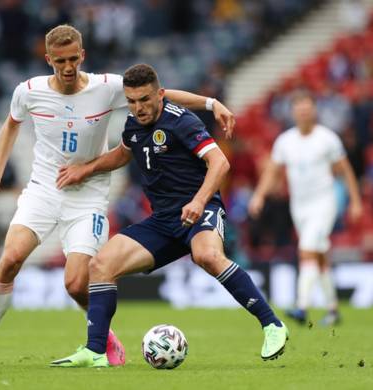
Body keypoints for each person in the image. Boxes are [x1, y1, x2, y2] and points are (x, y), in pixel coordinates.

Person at [0, 25, 236, 367]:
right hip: (43, 188)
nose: (68, 67)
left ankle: (104, 338)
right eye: (60, 61)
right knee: (10, 259)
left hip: (87, 195)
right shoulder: (28, 91)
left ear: (82, 55)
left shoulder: (106, 87)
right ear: (48, 59)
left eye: (73, 58)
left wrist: (211, 102)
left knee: (75, 284)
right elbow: (11, 124)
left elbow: (162, 94)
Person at [50, 63, 288, 368]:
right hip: (163, 221)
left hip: (200, 211)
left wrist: (199, 202)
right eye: (132, 101)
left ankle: (272, 325)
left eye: (145, 100)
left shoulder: (181, 122)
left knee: (207, 256)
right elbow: (123, 153)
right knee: (100, 266)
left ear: (160, 95)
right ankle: (96, 350)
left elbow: (220, 164)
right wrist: (86, 168)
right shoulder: (133, 125)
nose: (139, 108)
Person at [249, 92, 362, 326]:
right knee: (318, 256)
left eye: (307, 109)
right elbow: (272, 171)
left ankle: (302, 305)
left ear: (314, 111)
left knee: (307, 249)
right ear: (293, 113)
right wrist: (259, 195)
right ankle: (332, 309)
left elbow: (346, 170)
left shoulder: (327, 138)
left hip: (324, 202)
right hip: (299, 205)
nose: (304, 113)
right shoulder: (285, 141)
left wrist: (355, 201)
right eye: (300, 110)